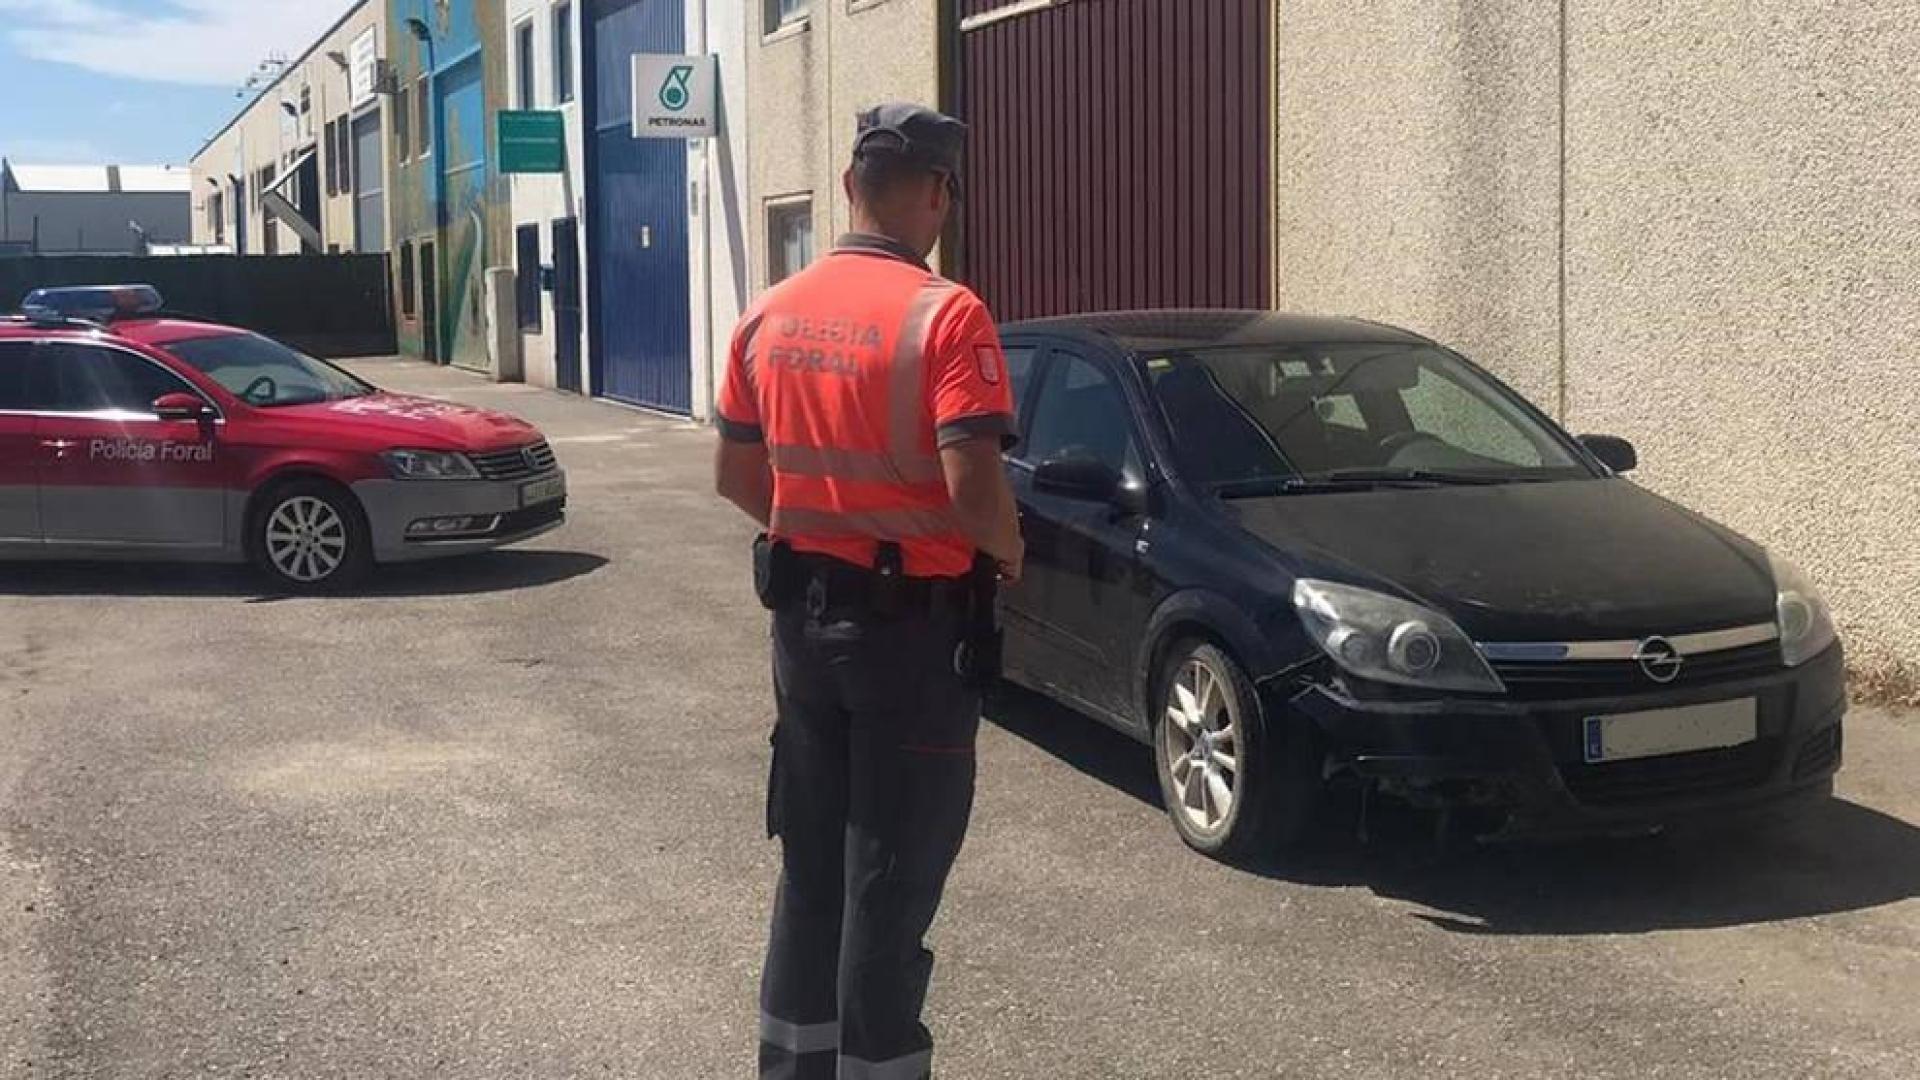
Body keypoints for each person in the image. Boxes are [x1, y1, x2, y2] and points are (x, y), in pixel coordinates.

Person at [714, 101, 1024, 1080]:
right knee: (887, 879)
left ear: (849, 188)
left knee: (811, 868)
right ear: (937, 193)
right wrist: (1006, 553)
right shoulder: (946, 312)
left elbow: (734, 477)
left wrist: (823, 520)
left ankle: (793, 1067)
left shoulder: (770, 310)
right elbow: (975, 487)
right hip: (910, 643)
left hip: (803, 626)